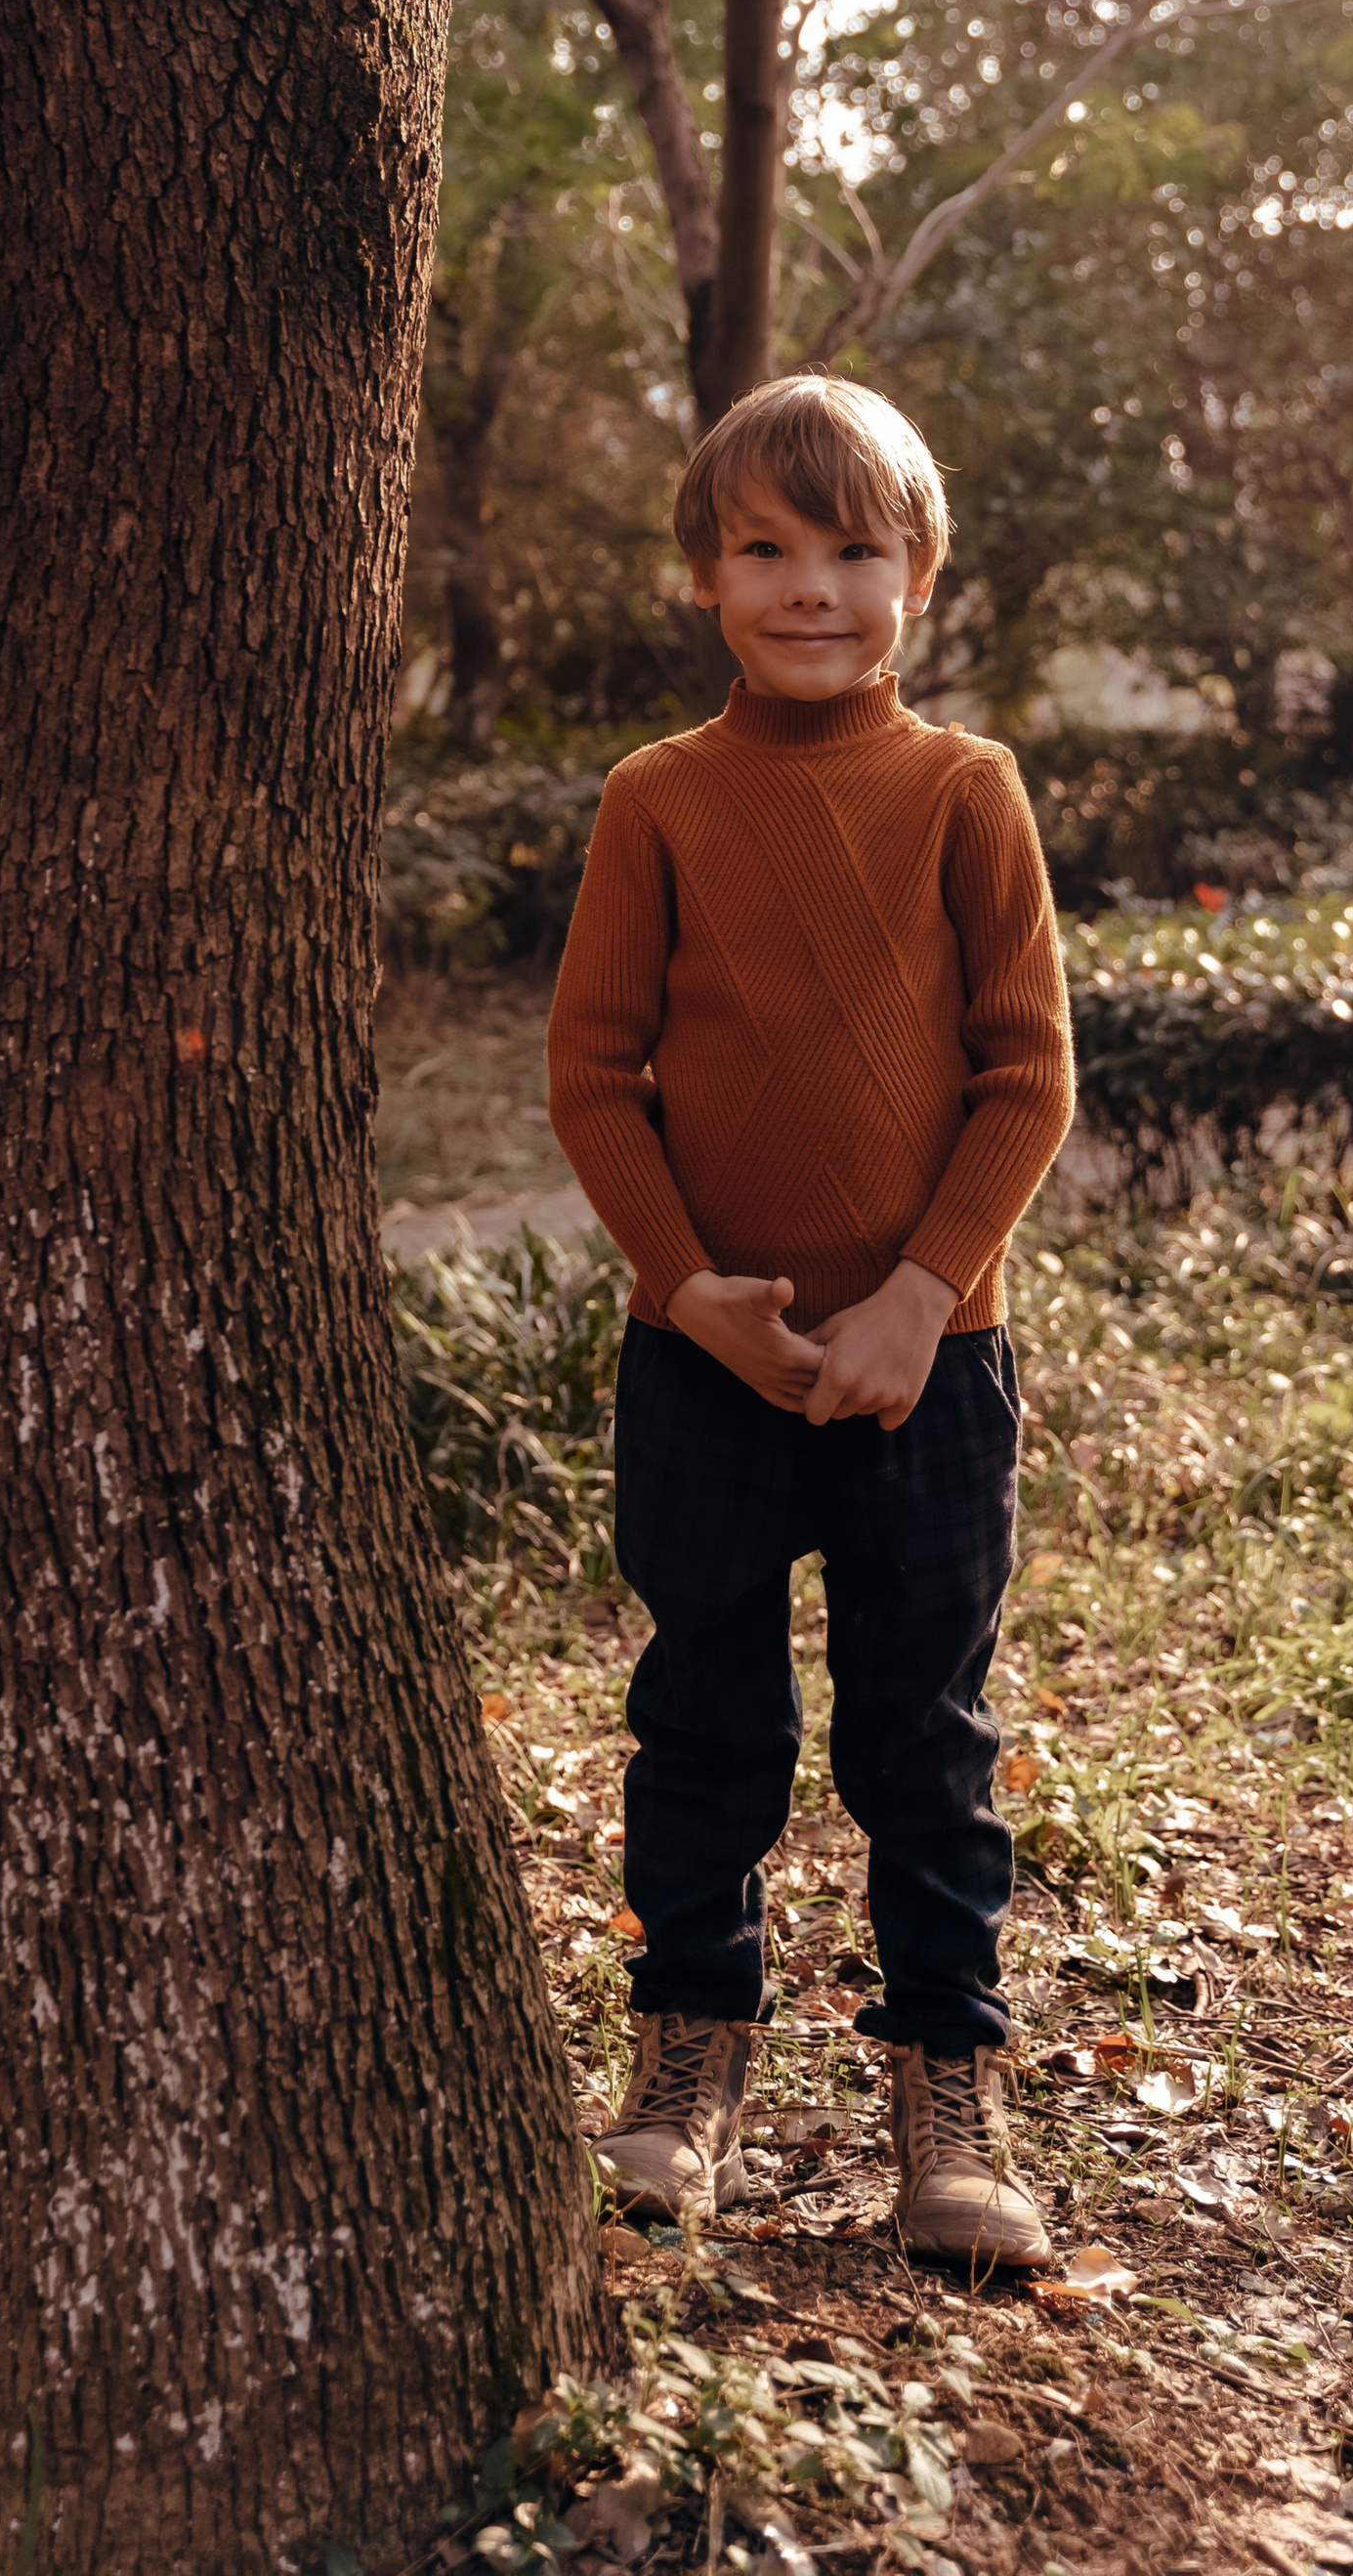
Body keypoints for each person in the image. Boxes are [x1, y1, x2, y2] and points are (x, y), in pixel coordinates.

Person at [545, 375, 1074, 2266]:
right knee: (704, 1715)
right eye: (764, 548)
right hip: (705, 1367)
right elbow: (597, 1078)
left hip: (932, 1365)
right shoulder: (658, 801)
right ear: (705, 575)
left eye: (854, 549)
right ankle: (685, 2060)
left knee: (922, 1735)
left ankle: (951, 2090)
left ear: (918, 576)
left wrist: (922, 1299)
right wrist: (690, 1290)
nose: (809, 588)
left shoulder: (965, 794)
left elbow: (1026, 1078)